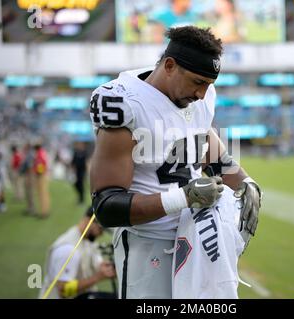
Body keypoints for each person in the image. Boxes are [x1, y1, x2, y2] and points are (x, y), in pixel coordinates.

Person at [89, 26, 262, 299]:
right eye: (197, 82)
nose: (202, 94)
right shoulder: (124, 101)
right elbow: (107, 206)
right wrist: (183, 197)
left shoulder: (200, 96)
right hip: (147, 244)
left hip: (200, 238)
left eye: (209, 84)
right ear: (169, 65)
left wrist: (245, 182)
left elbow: (204, 144)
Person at [39, 207, 117, 299]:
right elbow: (63, 290)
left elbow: (95, 262)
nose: (101, 234)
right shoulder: (68, 250)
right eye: (101, 229)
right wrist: (98, 277)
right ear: (88, 221)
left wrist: (103, 267)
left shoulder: (88, 240)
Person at [33, 142, 50, 218]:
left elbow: (41, 164)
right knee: (44, 193)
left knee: (42, 194)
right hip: (43, 174)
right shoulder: (42, 152)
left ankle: (44, 212)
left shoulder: (39, 154)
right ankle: (45, 210)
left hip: (41, 175)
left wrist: (39, 172)